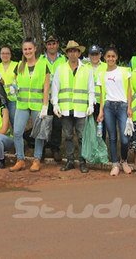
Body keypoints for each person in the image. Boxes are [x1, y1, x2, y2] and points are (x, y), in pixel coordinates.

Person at [51, 40, 95, 173]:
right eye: (70, 51)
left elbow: (91, 89)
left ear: (79, 53)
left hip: (81, 109)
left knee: (81, 136)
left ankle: (82, 161)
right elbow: (55, 87)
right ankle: (70, 161)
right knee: (68, 136)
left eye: (75, 51)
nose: (72, 54)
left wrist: (91, 104)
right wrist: (55, 104)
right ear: (67, 53)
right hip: (65, 108)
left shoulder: (86, 69)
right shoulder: (61, 68)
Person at [10, 38, 51, 172]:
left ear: (35, 49)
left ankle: (37, 159)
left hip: (38, 104)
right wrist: (13, 88)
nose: (27, 51)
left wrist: (45, 105)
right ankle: (20, 159)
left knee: (38, 134)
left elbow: (46, 87)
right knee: (17, 132)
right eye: (25, 49)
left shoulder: (43, 65)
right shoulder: (19, 66)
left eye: (29, 49)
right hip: (22, 104)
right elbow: (16, 83)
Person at [96, 47, 133, 176]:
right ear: (104, 58)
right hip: (108, 106)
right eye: (108, 56)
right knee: (112, 137)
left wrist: (129, 107)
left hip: (122, 106)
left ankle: (124, 161)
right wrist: (101, 111)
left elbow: (129, 90)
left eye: (113, 56)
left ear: (116, 57)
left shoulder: (124, 71)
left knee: (124, 138)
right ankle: (115, 164)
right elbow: (101, 94)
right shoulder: (101, 74)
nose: (110, 59)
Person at [39, 35, 66, 162]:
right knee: (44, 123)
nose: (51, 46)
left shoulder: (63, 59)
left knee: (57, 123)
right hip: (44, 96)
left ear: (57, 45)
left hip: (59, 97)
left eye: (54, 43)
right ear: (46, 46)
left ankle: (55, 148)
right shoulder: (40, 59)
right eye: (49, 44)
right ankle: (42, 148)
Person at [85, 44, 107, 140]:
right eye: (92, 54)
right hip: (88, 101)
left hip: (102, 101)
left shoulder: (106, 66)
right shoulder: (84, 67)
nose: (94, 57)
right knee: (89, 126)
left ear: (100, 55)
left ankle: (100, 146)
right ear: (89, 55)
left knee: (101, 126)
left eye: (96, 54)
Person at [0, 46, 18, 127]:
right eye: (3, 53)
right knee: (2, 121)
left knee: (14, 120)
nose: (5, 55)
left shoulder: (16, 65)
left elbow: (19, 80)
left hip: (13, 98)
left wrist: (15, 88)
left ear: (10, 55)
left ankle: (17, 138)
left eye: (7, 53)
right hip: (1, 99)